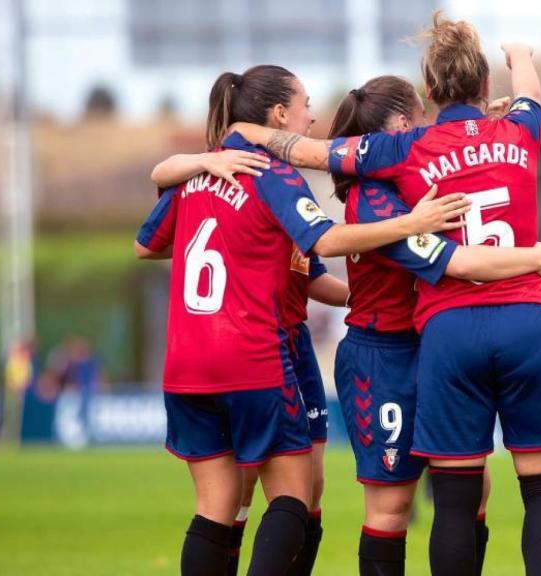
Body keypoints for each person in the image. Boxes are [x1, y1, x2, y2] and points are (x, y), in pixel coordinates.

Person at [230, 14, 541, 576]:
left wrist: (250, 134)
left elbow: (311, 153)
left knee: (462, 494)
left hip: (447, 334)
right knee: (527, 492)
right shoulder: (516, 129)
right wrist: (520, 54)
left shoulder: (406, 150)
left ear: (433, 93)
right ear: (484, 86)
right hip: (455, 335)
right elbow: (531, 96)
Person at [135, 64, 468, 576]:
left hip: (187, 359)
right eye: (306, 103)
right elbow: (326, 241)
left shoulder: (199, 173)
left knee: (222, 504)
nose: (313, 117)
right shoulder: (273, 175)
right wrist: (412, 224)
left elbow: (146, 245)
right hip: (258, 350)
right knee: (293, 499)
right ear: (278, 114)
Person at [325, 74, 541, 576]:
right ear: (403, 124)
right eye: (421, 120)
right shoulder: (376, 199)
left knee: (473, 487)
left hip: (431, 343)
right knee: (392, 507)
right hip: (384, 357)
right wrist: (534, 257)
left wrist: (483, 126)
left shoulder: (411, 179)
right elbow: (457, 264)